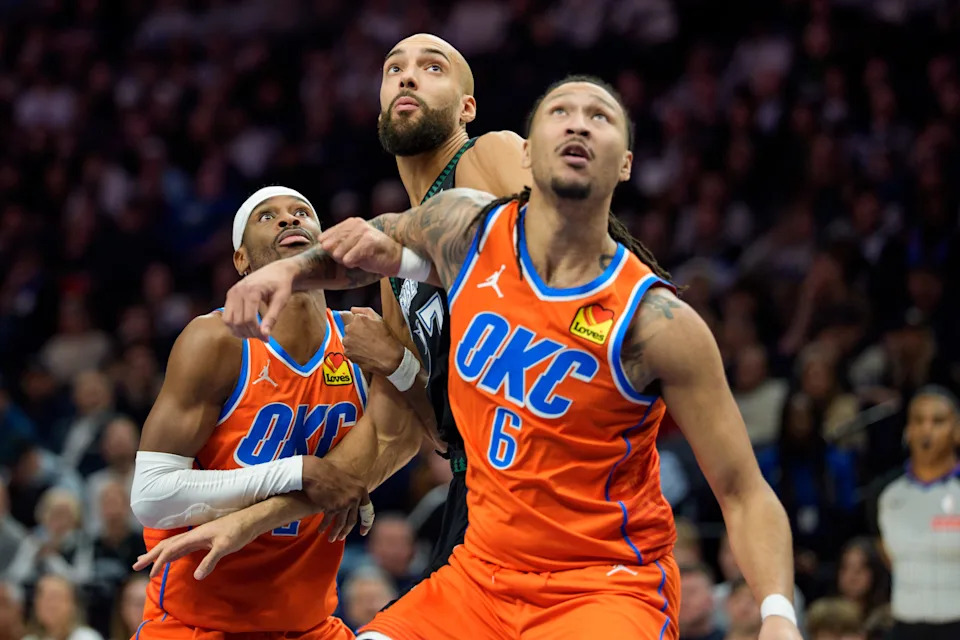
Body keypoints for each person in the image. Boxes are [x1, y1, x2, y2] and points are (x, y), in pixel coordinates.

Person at [219, 76, 802, 639]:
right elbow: (364, 245)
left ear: (625, 163)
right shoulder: (463, 227)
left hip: (602, 587)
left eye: (599, 117)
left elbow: (744, 492)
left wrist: (777, 612)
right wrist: (289, 272)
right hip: (480, 577)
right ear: (529, 152)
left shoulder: (657, 325)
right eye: (559, 112)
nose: (577, 123)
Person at [137, 32, 533, 595]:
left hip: (550, 470)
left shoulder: (488, 155)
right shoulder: (396, 282)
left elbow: (558, 252)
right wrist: (250, 519)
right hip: (482, 489)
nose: (407, 74)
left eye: (432, 66)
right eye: (393, 68)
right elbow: (397, 439)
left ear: (467, 105)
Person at [127, 186, 429, 639]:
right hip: (199, 624)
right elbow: (151, 496)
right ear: (241, 261)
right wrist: (299, 472)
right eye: (267, 217)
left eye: (302, 212)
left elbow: (436, 432)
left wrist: (399, 363)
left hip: (310, 625)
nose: (289, 220)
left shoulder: (362, 339)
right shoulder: (217, 341)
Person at [878, 386, 960, 640]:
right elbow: (887, 555)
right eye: (918, 420)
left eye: (938, 421)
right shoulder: (888, 496)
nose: (927, 430)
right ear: (908, 430)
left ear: (957, 431)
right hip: (906, 627)